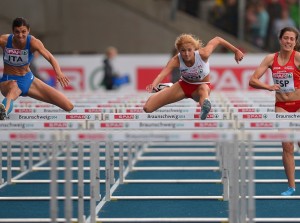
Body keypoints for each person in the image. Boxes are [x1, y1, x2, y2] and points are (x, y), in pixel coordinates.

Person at [143, 33, 244, 120]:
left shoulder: (203, 54)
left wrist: (236, 51)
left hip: (200, 86)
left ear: (194, 49)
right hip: (183, 86)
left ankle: (205, 107)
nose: (186, 54)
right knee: (147, 108)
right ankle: (168, 87)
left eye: (189, 50)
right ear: (178, 50)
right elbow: (163, 73)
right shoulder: (176, 60)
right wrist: (154, 85)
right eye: (183, 51)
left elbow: (217, 39)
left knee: (204, 91)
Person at [249, 26, 300, 196]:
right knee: (287, 144)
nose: (289, 41)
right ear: (280, 40)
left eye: (292, 39)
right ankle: (291, 187)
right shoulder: (271, 59)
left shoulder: (298, 58)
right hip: (282, 106)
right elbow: (253, 80)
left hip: (299, 104)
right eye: (286, 38)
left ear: (295, 42)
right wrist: (268, 86)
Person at [0, 17, 73, 120]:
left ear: (28, 31)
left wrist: (59, 72)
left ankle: (3, 110)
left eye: (23, 32)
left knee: (68, 105)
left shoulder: (33, 42)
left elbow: (50, 57)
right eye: (17, 32)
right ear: (12, 31)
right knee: (14, 86)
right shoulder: (4, 40)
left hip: (28, 80)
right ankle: (3, 112)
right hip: (8, 81)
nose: (20, 35)